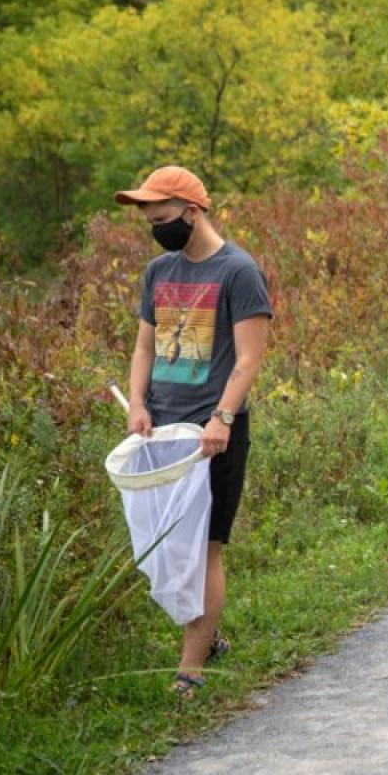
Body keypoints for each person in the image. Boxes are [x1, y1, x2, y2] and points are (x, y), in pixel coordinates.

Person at [116, 166, 272, 700]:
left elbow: (249, 359)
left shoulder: (239, 271)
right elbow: (144, 347)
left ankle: (191, 670)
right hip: (163, 432)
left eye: (161, 218)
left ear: (192, 211)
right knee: (167, 548)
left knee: (204, 549)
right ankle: (208, 637)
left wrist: (223, 418)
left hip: (213, 434)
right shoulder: (159, 271)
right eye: (150, 221)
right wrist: (137, 403)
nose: (156, 229)